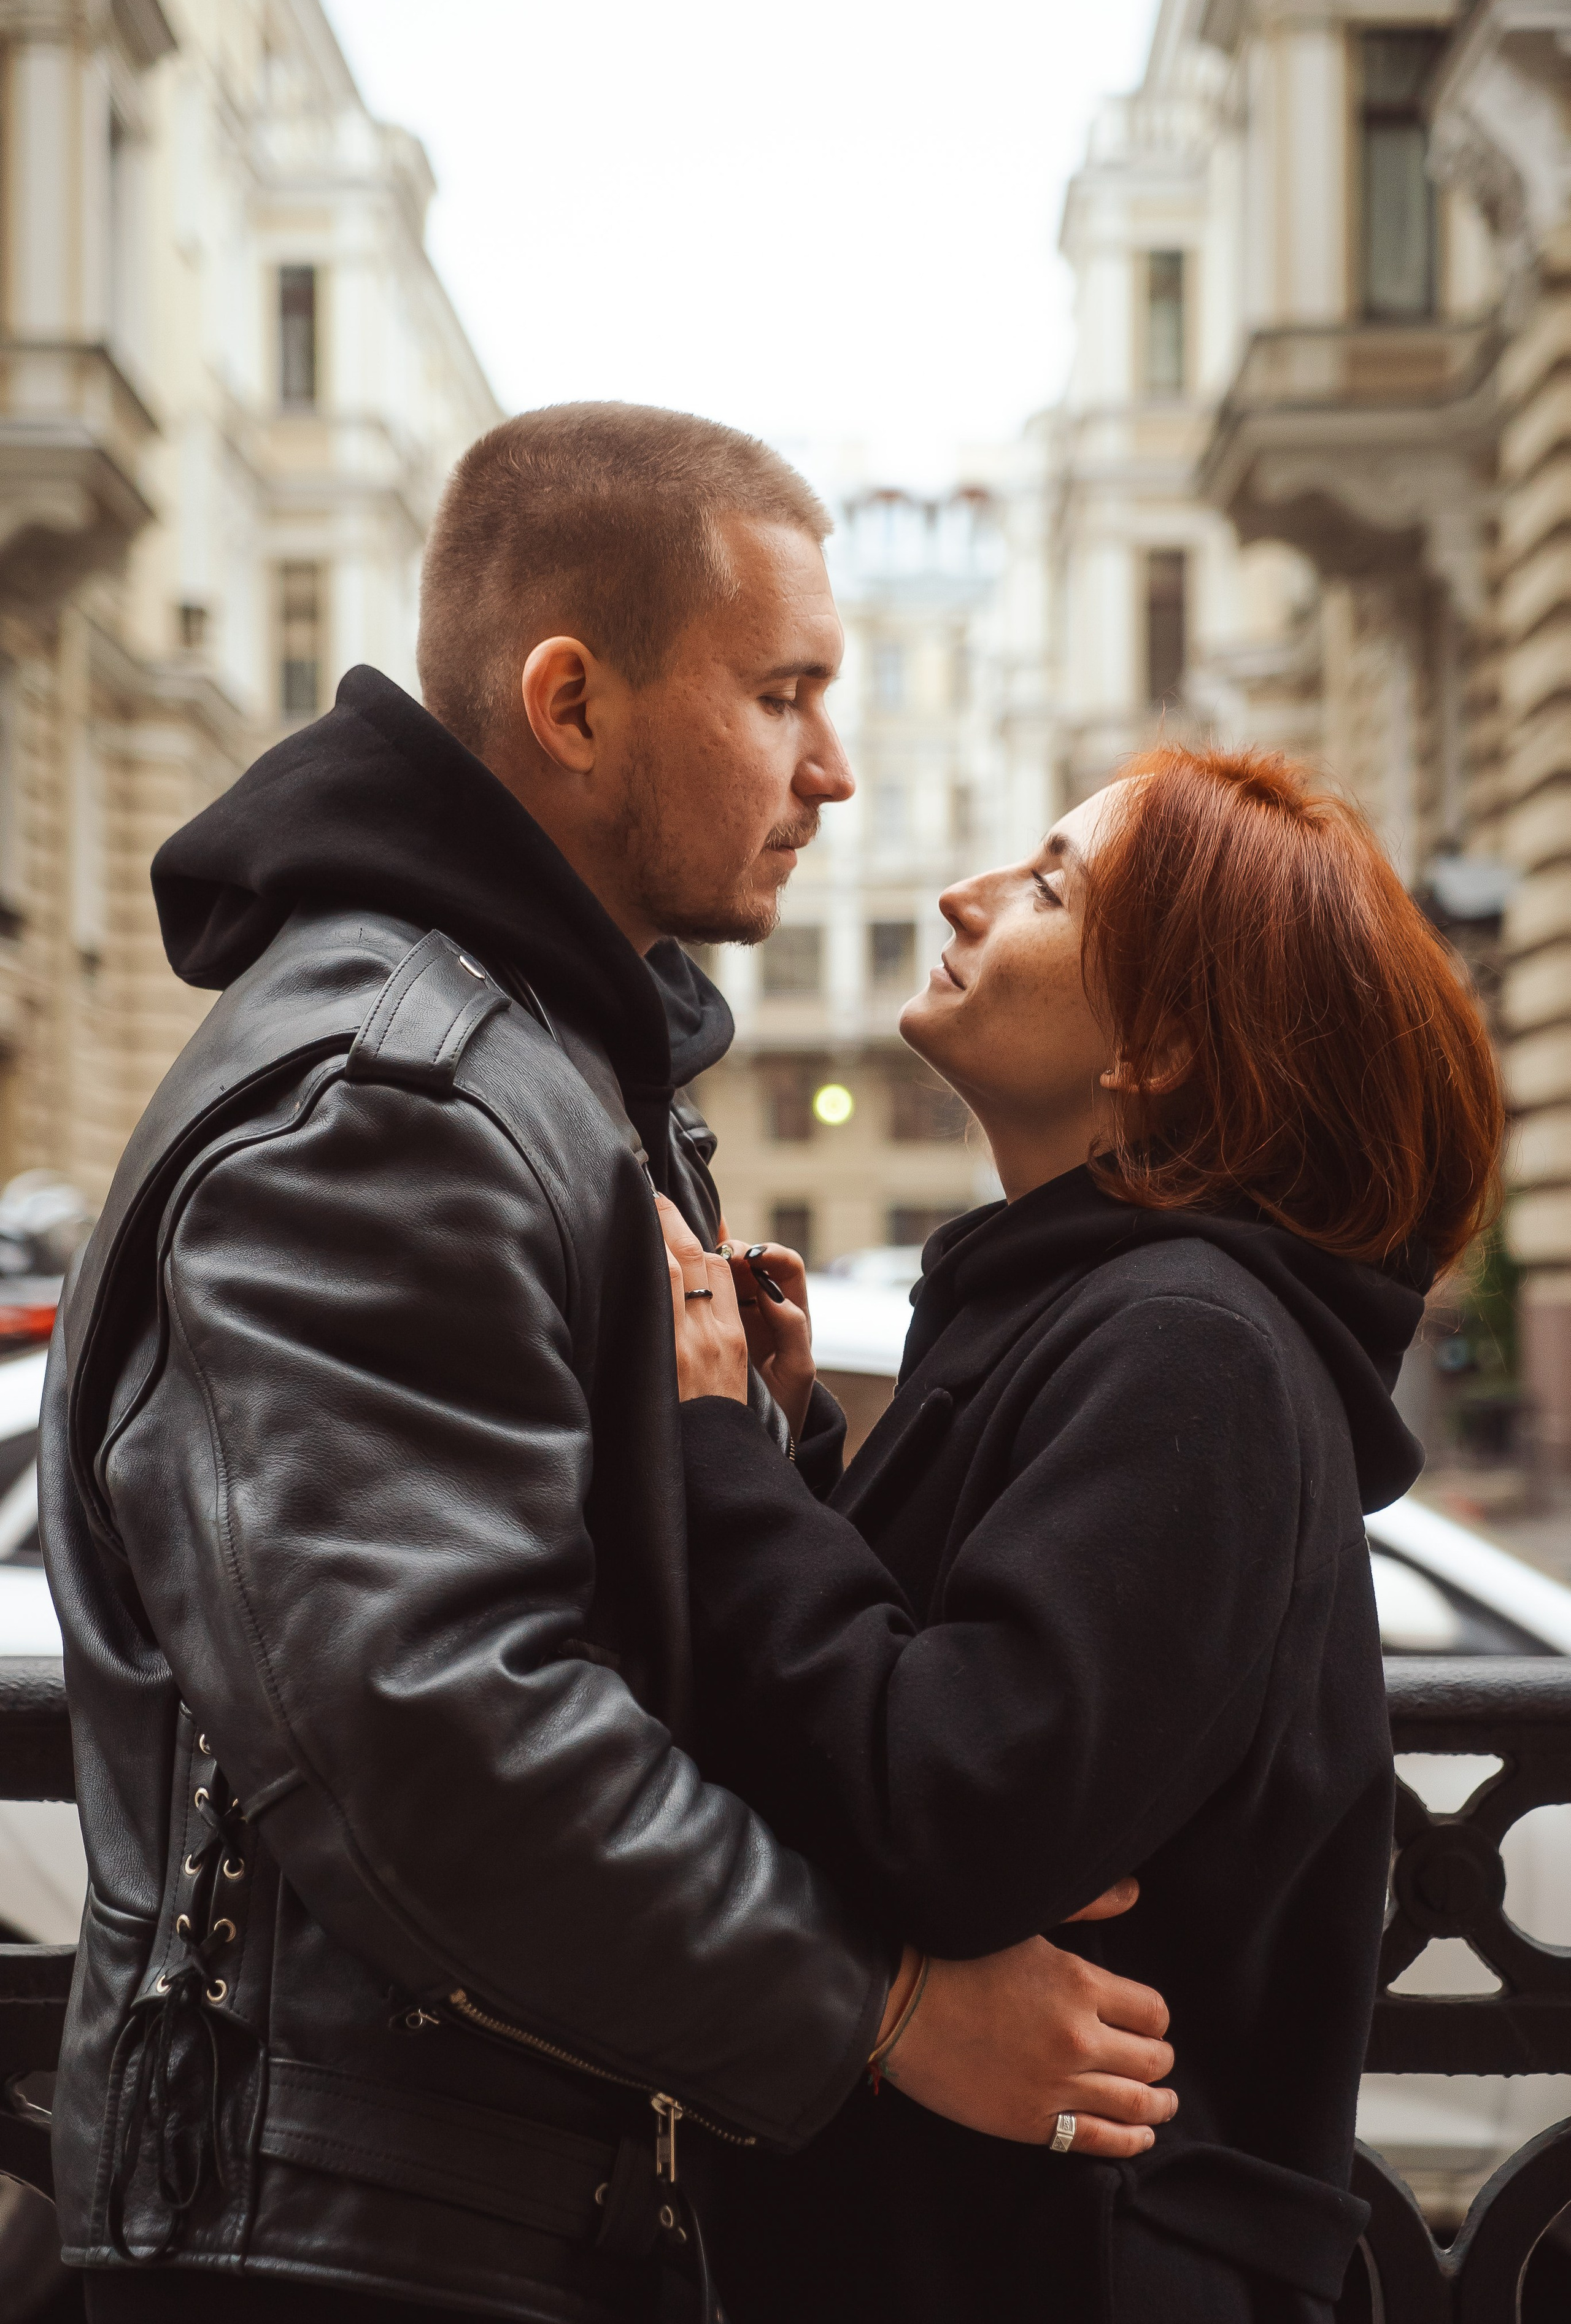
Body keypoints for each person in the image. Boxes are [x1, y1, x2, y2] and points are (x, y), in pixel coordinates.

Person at [37, 404, 1175, 2324]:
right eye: (781, 692)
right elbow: (433, 1725)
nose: (832, 767)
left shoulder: (542, 1052)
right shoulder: (391, 1090)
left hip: (455, 2193)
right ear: (571, 705)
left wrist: (752, 1441)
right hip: (350, 2237)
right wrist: (879, 2007)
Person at [657, 746, 1504, 2324]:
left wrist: (717, 1461)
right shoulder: (1093, 1313)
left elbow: (954, 1804)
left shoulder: (1192, 1343)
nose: (962, 895)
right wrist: (792, 1446)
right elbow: (934, 1698)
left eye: (1047, 885)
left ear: (1164, 1046)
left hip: (1066, 2263)